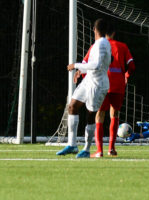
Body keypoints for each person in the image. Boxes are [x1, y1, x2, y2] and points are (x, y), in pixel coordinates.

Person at [56, 18, 111, 158]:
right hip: (89, 81)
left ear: (94, 29)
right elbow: (96, 64)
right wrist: (83, 71)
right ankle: (72, 144)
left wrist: (76, 65)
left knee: (91, 115)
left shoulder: (102, 44)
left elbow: (97, 65)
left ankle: (86, 149)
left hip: (98, 85)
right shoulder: (99, 44)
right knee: (73, 106)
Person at [91, 24, 136, 158]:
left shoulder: (97, 45)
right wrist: (126, 76)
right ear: (114, 33)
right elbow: (132, 66)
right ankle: (111, 148)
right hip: (118, 85)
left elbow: (86, 62)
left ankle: (99, 151)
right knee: (114, 114)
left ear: (103, 33)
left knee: (99, 114)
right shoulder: (122, 46)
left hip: (102, 83)